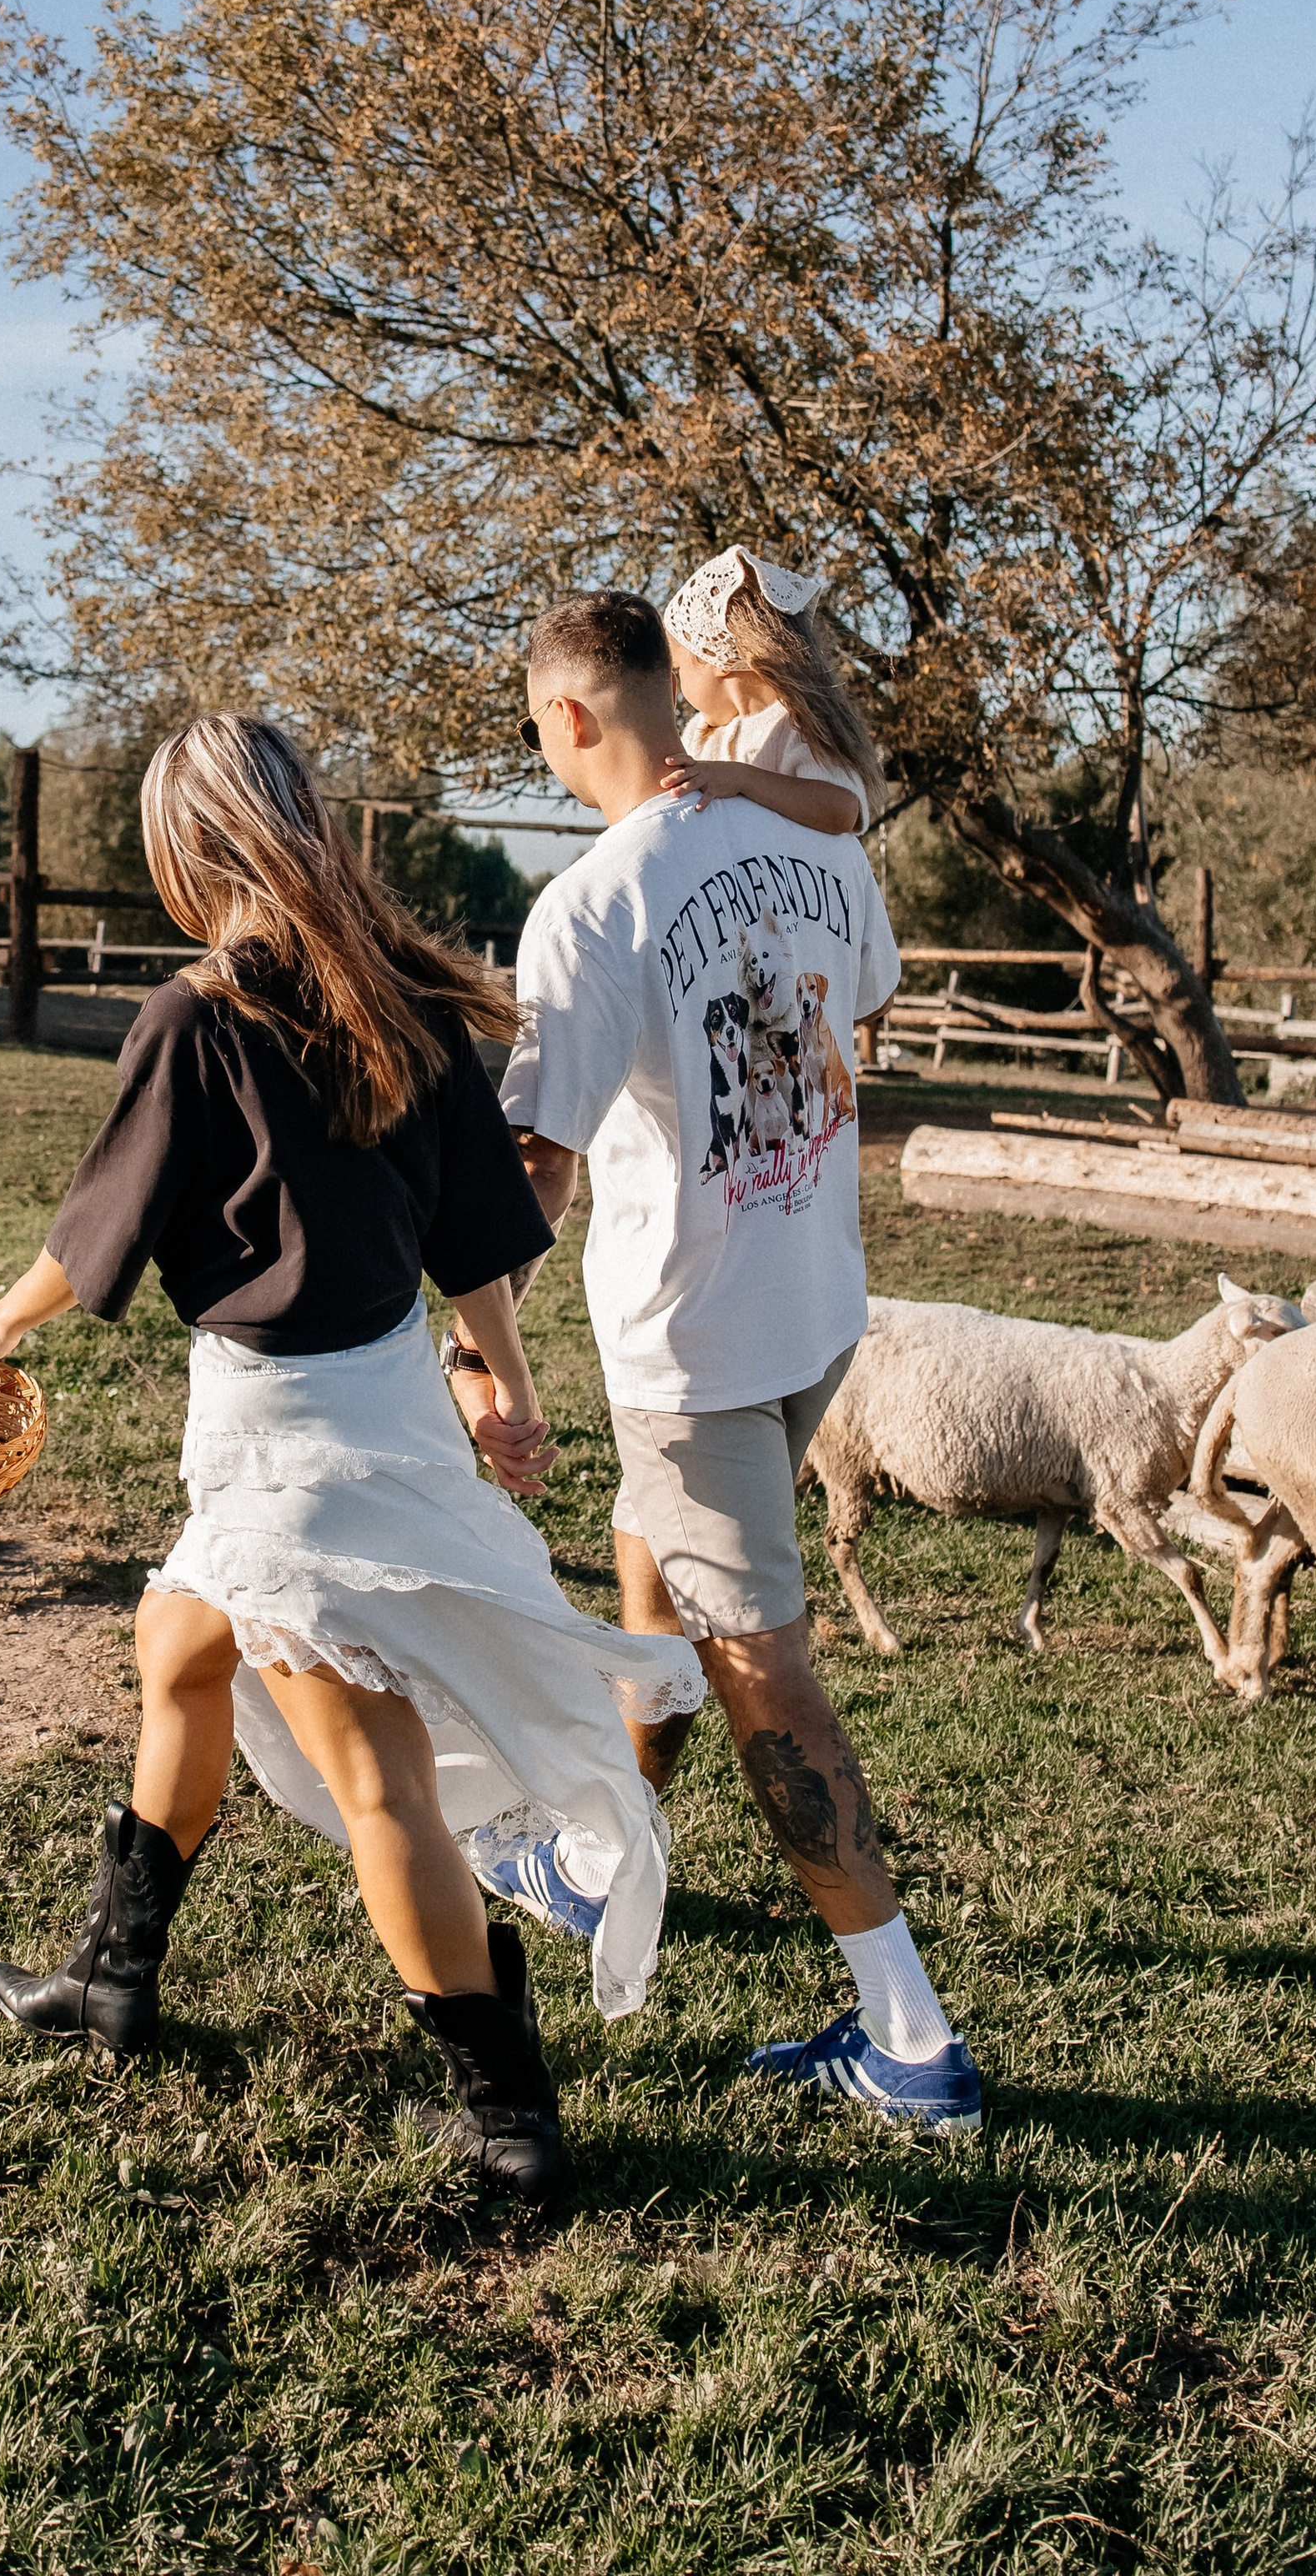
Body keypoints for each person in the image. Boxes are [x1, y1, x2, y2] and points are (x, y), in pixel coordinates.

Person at [0, 712, 704, 2203]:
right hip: (371, 1415)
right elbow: (477, 1230)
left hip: (290, 1445)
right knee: (178, 1653)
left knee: (378, 1776)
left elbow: (101, 1222)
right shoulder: (399, 1002)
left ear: (189, 848)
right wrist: (499, 1382)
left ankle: (509, 2122)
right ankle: (114, 1971)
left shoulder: (201, 1015)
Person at [452, 591, 982, 2135]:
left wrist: (474, 1342)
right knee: (658, 1577)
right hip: (818, 1301)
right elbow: (856, 1017)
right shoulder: (817, 832)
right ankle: (604, 1860)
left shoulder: (592, 905)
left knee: (766, 1673)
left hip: (697, 1347)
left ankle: (911, 2041)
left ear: (564, 724)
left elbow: (533, 1169)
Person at [658, 544, 887, 841]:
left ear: (715, 659)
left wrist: (743, 778)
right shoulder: (700, 734)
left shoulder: (798, 723)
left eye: (678, 669)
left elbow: (842, 810)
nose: (678, 686)